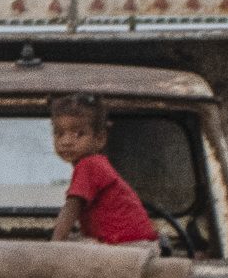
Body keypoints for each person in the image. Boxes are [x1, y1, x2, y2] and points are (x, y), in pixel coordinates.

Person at [47, 97, 158, 249]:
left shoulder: (90, 164)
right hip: (132, 244)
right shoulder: (94, 164)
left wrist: (52, 248)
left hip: (129, 247)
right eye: (59, 134)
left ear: (99, 139)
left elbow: (71, 208)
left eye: (78, 134)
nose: (66, 141)